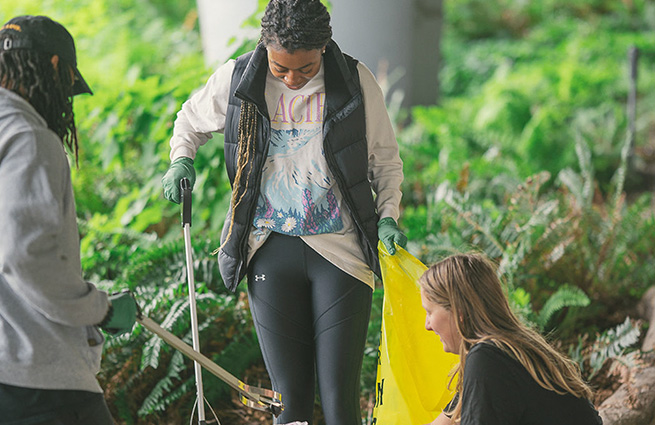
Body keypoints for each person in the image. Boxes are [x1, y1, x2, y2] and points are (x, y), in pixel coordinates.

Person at [161, 0, 406, 423]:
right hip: (268, 250)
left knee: (338, 402)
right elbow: (190, 120)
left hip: (341, 253)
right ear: (266, 48)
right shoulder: (239, 78)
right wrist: (181, 158)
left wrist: (387, 216)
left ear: (325, 48)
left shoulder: (355, 81)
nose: (292, 79)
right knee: (288, 403)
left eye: (306, 69)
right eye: (281, 69)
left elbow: (384, 160)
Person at [0, 15, 137, 425]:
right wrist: (99, 309)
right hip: (36, 377)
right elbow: (27, 255)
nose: (65, 103)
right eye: (69, 90)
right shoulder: (28, 136)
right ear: (56, 67)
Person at [418, 253, 603, 425]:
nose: (427, 325)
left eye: (429, 312)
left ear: (459, 313)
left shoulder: (488, 359)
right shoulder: (511, 348)